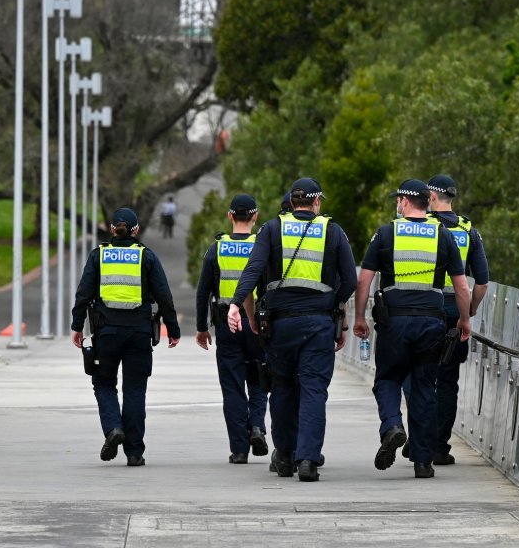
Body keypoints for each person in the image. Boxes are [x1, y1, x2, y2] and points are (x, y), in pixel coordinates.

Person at [227, 178, 357, 482]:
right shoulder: (332, 231)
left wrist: (236, 304)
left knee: (282, 387)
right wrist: (333, 306)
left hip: (280, 324)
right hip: (318, 323)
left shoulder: (272, 229)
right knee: (313, 389)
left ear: (292, 201)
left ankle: (284, 456)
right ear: (316, 202)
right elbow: (350, 280)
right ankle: (308, 461)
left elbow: (253, 270)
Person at [353, 179, 471, 479]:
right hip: (431, 321)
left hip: (394, 322)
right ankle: (422, 461)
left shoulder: (386, 233)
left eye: (398, 200)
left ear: (404, 203)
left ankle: (392, 425)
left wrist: (359, 318)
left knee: (388, 379)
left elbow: (364, 280)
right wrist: (464, 320)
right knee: (424, 388)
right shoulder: (443, 236)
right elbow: (461, 285)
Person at [71, 208, 181, 467]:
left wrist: (77, 326)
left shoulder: (99, 255)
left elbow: (83, 293)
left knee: (104, 383)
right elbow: (164, 296)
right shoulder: (147, 256)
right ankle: (134, 452)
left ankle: (113, 429)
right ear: (136, 231)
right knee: (135, 390)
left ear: (112, 230)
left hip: (106, 332)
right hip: (139, 333)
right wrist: (173, 330)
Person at [402, 175, 488, 465]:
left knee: (418, 378)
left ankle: (418, 441)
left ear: (432, 198)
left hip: (425, 311)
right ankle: (438, 446)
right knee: (448, 381)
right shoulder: (468, 231)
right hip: (455, 316)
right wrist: (470, 311)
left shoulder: (423, 228)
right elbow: (482, 284)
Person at [195, 194, 269, 464]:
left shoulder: (217, 248)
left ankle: (239, 449)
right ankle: (258, 426)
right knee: (260, 379)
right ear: (255, 216)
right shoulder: (263, 245)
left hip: (227, 324)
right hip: (258, 323)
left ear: (230, 216)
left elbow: (203, 292)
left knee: (233, 386)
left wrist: (202, 328)